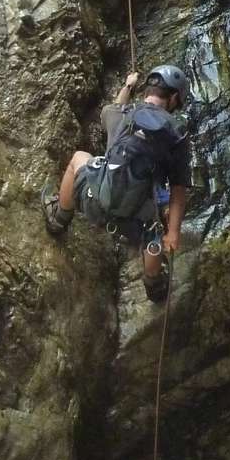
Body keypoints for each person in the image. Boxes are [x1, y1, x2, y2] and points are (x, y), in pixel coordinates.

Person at [43, 65, 191, 303]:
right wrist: (173, 234)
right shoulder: (177, 134)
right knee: (156, 226)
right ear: (173, 98)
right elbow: (178, 191)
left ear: (147, 89)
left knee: (79, 158)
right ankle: (154, 283)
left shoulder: (120, 113)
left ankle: (59, 219)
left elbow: (109, 111)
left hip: (95, 202)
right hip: (135, 225)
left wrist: (128, 86)